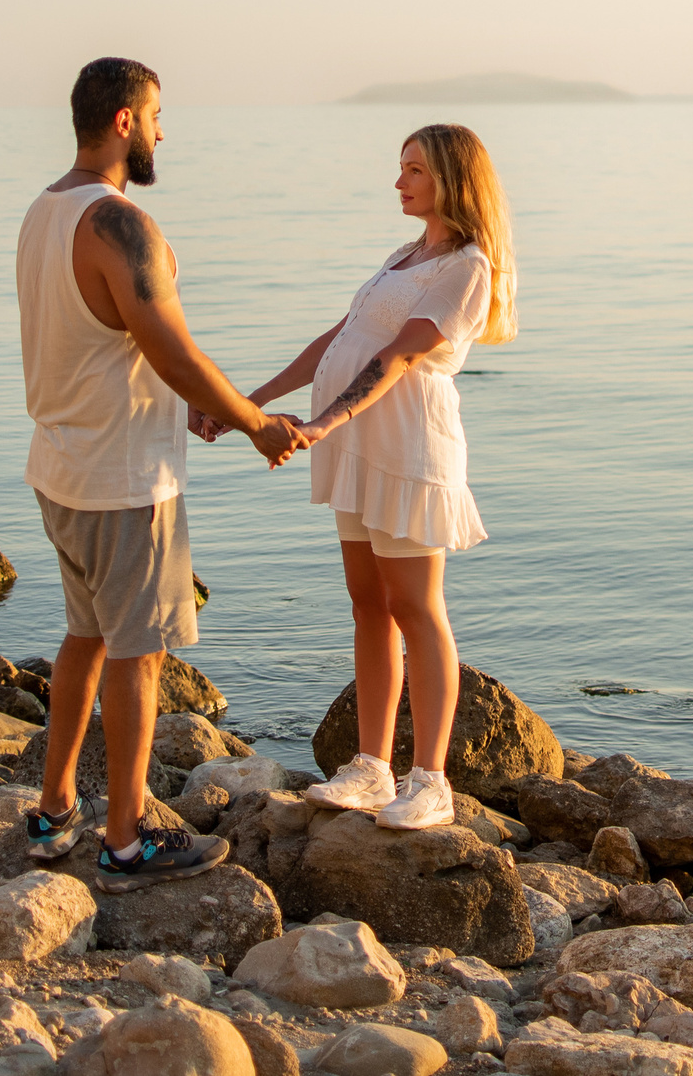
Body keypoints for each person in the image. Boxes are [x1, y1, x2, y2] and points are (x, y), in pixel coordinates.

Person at [15, 56, 308, 888]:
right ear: (122, 121)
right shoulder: (118, 224)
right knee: (138, 655)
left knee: (85, 636)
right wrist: (257, 423)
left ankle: (54, 809)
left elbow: (101, 345)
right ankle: (126, 838)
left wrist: (187, 403)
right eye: (155, 113)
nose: (162, 129)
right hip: (124, 480)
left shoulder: (44, 212)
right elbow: (168, 345)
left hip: (63, 464)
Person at [215, 123, 517, 832]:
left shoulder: (467, 266)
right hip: (358, 444)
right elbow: (339, 340)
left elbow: (401, 357)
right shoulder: (406, 255)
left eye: (414, 169)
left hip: (407, 445)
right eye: (400, 167)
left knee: (417, 607)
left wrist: (325, 422)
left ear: (451, 178)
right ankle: (372, 766)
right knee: (367, 602)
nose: (399, 181)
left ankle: (431, 779)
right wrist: (247, 404)